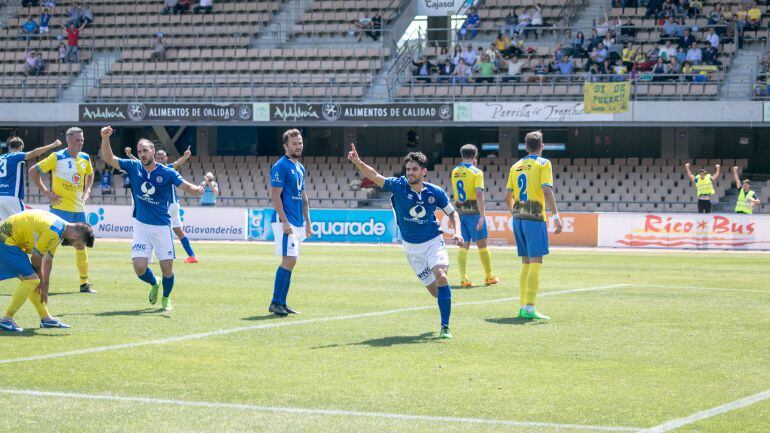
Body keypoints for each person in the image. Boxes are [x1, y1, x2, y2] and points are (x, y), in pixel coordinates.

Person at [348, 144, 463, 339]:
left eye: (414, 169)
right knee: (436, 292)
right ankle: (446, 300)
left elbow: (453, 214)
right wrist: (358, 162)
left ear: (424, 171)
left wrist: (457, 232)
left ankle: (445, 327)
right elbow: (376, 176)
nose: (410, 172)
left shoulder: (435, 192)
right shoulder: (398, 185)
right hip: (411, 248)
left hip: (433, 241)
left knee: (442, 276)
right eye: (408, 169)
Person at [100, 126, 203, 311]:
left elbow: (185, 186)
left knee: (167, 270)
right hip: (141, 226)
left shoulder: (166, 172)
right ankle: (154, 283)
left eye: (145, 150)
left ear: (153, 151)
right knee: (139, 268)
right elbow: (109, 158)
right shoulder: (133, 167)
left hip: (162, 227)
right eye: (139, 151)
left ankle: (166, 297)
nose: (142, 154)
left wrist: (197, 190)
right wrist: (105, 138)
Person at [0, 209, 95, 333]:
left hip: (11, 240)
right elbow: (36, 258)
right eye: (78, 244)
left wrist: (45, 286)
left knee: (32, 280)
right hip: (6, 240)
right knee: (32, 280)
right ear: (75, 236)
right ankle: (6, 320)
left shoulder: (60, 229)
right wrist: (41, 281)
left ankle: (46, 318)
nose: (75, 246)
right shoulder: (54, 232)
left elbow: (48, 260)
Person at [29, 127, 95, 294]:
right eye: (76, 140)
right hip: (59, 210)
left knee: (81, 245)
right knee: (50, 249)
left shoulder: (85, 158)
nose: (80, 143)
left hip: (79, 210)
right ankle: (42, 283)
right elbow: (33, 171)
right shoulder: (56, 157)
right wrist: (46, 192)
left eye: (82, 140)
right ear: (68, 141)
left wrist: (87, 191)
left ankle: (84, 283)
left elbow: (90, 174)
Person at [504, 130, 562, 320]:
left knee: (526, 262)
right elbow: (547, 191)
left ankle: (523, 305)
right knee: (536, 261)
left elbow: (507, 196)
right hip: (535, 218)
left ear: (526, 147)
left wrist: (516, 212)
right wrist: (555, 216)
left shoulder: (516, 166)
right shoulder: (544, 163)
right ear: (541, 147)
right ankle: (529, 308)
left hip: (518, 218)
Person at [268, 129, 313, 316]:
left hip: (297, 222)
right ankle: (275, 302)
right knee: (289, 260)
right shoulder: (281, 166)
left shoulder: (300, 168)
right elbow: (275, 196)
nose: (298, 146)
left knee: (291, 261)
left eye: (300, 143)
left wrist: (308, 223)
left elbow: (304, 198)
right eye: (294, 143)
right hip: (284, 221)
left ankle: (282, 303)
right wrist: (285, 221)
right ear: (286, 146)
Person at [126, 145, 197, 263]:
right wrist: (130, 155)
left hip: (169, 205)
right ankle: (191, 255)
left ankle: (152, 257)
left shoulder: (167, 169)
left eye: (162, 158)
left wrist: (185, 157)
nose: (160, 160)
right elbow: (139, 163)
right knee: (178, 230)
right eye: (158, 158)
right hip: (173, 205)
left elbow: (177, 163)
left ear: (166, 158)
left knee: (157, 229)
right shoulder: (153, 169)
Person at [451, 144, 498, 288]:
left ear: (462, 154)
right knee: (482, 246)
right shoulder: (476, 172)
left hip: (460, 212)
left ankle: (464, 279)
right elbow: (479, 193)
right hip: (474, 213)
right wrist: (482, 216)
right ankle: (489, 276)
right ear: (475, 155)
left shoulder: (455, 171)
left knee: (464, 247)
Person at [0, 137, 63, 220]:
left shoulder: (1, 157)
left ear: (9, 147)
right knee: (22, 224)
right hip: (12, 196)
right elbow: (34, 153)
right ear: (20, 148)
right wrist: (52, 145)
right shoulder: (17, 155)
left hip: (1, 197)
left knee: (6, 228)